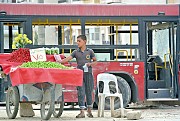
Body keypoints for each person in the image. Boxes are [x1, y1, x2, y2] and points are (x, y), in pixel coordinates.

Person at [59, 35, 97, 118]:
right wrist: (60, 62)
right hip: (79, 74)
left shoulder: (90, 51)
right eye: (77, 41)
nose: (77, 43)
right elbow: (68, 58)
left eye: (79, 41)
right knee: (81, 92)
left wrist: (90, 64)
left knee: (89, 92)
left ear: (85, 41)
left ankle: (89, 111)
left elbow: (95, 61)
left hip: (88, 74)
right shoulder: (75, 52)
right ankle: (82, 112)